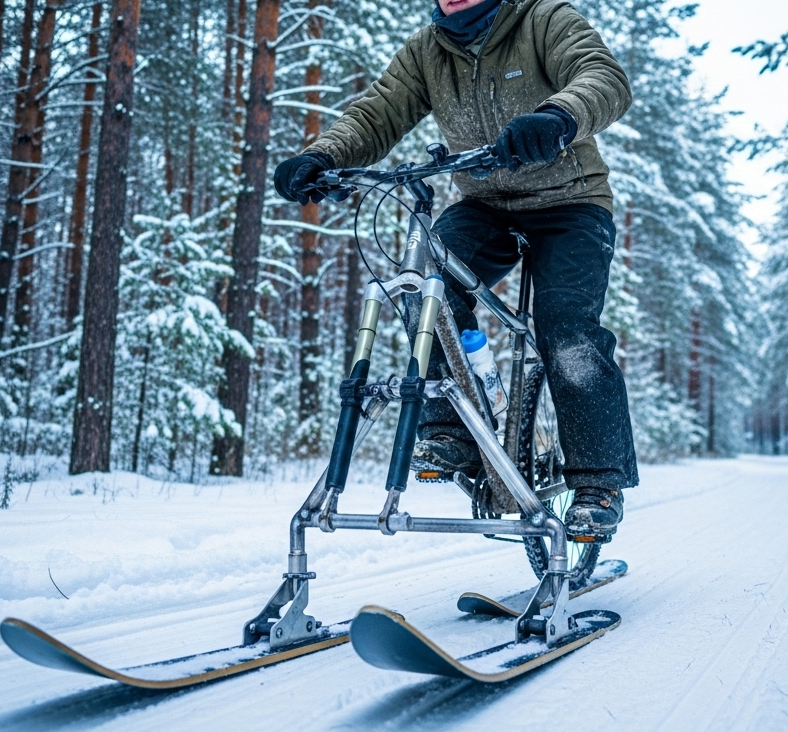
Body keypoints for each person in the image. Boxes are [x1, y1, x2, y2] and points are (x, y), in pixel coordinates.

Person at [273, 0, 637, 541]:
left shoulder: (543, 18)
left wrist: (558, 117)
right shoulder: (428, 50)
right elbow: (378, 113)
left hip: (571, 201)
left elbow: (602, 78)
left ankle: (597, 485)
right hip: (486, 203)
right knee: (424, 285)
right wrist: (323, 156)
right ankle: (454, 431)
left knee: (566, 330)